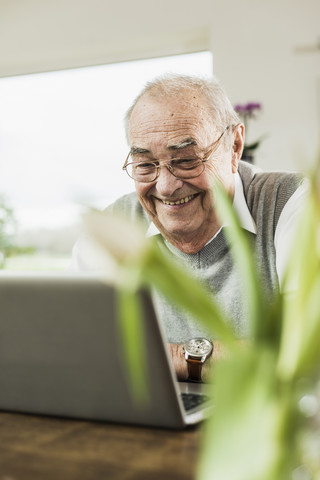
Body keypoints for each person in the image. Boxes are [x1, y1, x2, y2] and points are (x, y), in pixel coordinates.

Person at [72, 74, 307, 382]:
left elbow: (305, 349)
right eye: (145, 164)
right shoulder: (115, 224)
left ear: (234, 146)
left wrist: (174, 358)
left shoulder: (295, 204)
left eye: (186, 160)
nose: (167, 187)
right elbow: (79, 348)